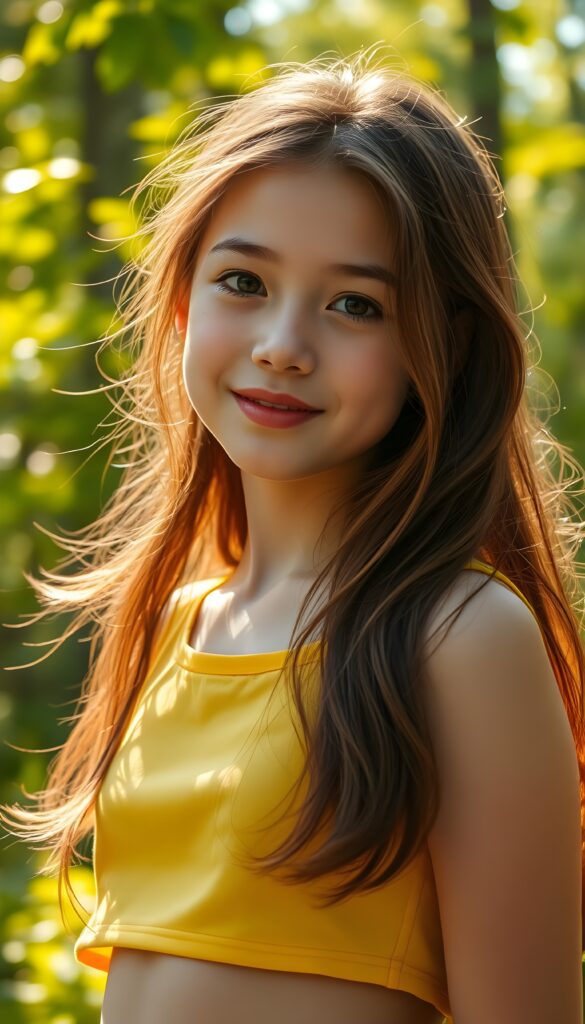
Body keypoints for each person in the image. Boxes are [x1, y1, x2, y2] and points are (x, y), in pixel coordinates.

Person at [1, 47, 583, 1024]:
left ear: (437, 346)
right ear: (182, 301)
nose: (282, 342)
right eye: (243, 281)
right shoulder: (173, 623)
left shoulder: (460, 637)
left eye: (356, 304)